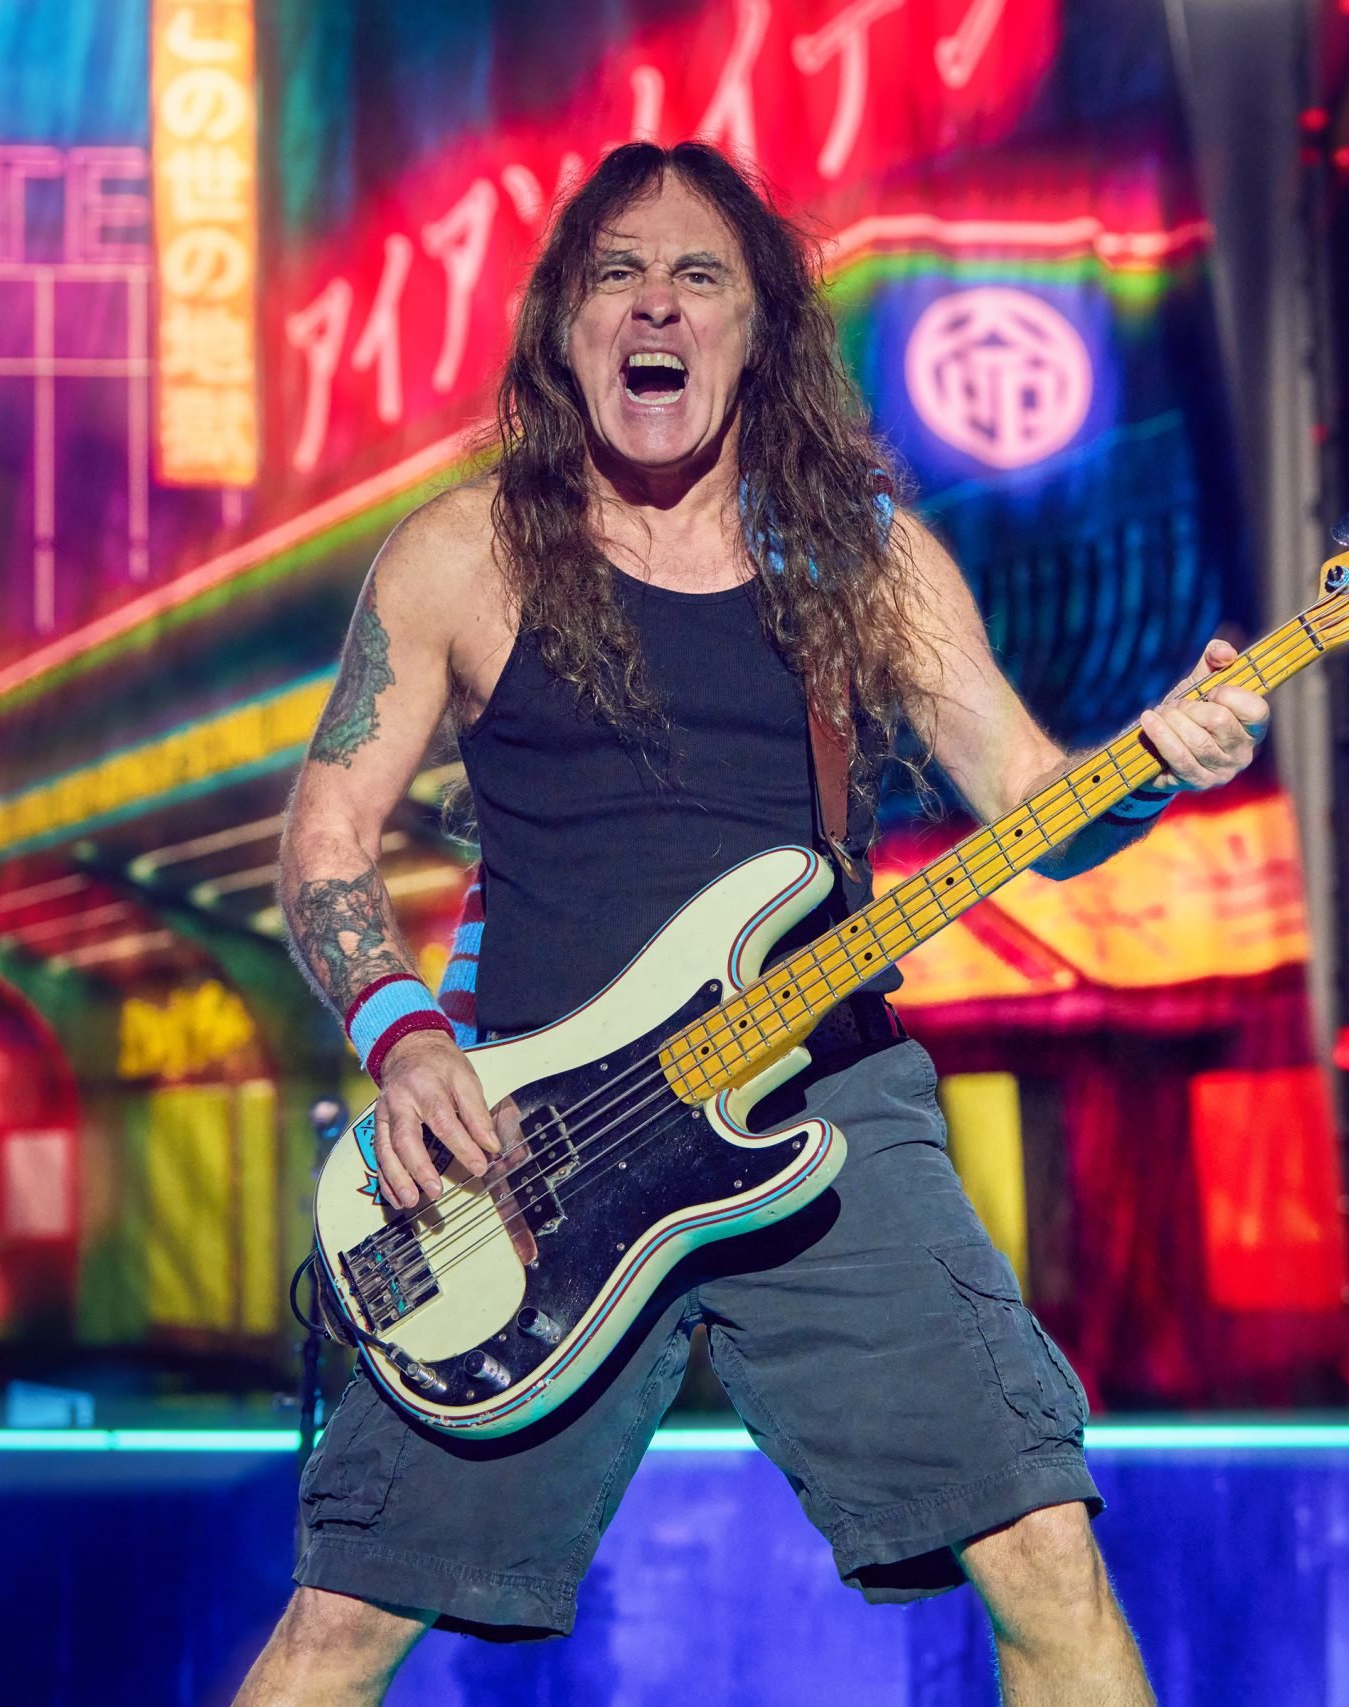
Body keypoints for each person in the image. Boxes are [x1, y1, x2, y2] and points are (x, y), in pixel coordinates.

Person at [238, 140, 1266, 1707]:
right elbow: (324, 827)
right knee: (341, 1624)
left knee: (1047, 1552)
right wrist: (402, 1032)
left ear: (758, 331)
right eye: (616, 277)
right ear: (566, 332)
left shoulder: (865, 565)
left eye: (699, 276)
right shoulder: (465, 554)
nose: (656, 306)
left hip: (829, 1116)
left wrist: (1160, 763)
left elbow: (1036, 805)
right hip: (536, 1151)